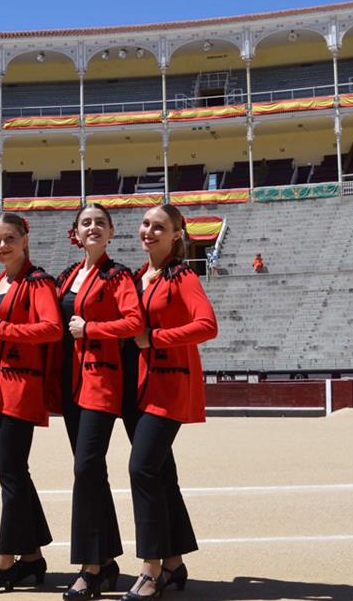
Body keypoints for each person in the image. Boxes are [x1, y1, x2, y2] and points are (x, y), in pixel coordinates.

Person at [121, 204, 218, 601]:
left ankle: (151, 569)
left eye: (159, 227)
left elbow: (207, 324)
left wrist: (156, 337)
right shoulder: (134, 277)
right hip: (136, 386)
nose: (149, 231)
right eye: (145, 224)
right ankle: (175, 563)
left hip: (167, 386)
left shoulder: (183, 275)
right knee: (160, 475)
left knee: (141, 469)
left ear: (176, 235)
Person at [0, 212, 62, 595]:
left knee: (11, 474)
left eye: (8, 239)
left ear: (24, 239)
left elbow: (52, 328)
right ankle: (33, 558)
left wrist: (4, 329)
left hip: (19, 389)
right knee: (15, 474)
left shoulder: (37, 282)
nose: (1, 246)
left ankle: (4, 561)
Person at [56, 203, 143, 599]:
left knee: (85, 468)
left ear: (111, 232)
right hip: (72, 384)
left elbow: (135, 322)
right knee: (91, 473)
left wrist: (91, 327)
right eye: (85, 222)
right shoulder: (69, 277)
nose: (92, 227)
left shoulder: (117, 274)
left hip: (103, 380)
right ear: (76, 233)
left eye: (99, 223)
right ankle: (106, 563)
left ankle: (91, 566)